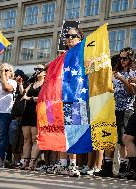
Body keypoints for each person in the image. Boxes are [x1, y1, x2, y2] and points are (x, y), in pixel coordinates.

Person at [46, 27, 84, 177]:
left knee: (74, 131)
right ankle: (62, 165)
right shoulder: (62, 57)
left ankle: (73, 165)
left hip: (77, 98)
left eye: (73, 36)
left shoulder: (83, 54)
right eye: (67, 36)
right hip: (61, 98)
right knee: (62, 131)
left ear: (80, 39)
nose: (69, 38)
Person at [94, 47, 135, 178]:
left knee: (123, 140)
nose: (122, 60)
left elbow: (132, 92)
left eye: (125, 58)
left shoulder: (135, 72)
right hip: (111, 109)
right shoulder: (115, 72)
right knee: (109, 138)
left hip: (126, 110)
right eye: (120, 58)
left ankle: (123, 168)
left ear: (131, 59)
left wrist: (123, 79)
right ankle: (107, 167)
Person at [20, 65, 45, 170]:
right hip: (27, 112)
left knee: (35, 139)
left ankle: (32, 162)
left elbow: (41, 98)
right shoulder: (31, 84)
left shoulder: (45, 84)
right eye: (36, 69)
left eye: (40, 69)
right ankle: (25, 161)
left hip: (38, 112)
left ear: (45, 73)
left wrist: (29, 98)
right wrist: (20, 84)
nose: (37, 71)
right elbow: (22, 94)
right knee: (26, 138)